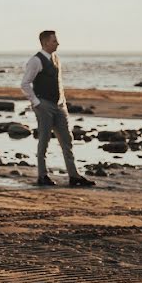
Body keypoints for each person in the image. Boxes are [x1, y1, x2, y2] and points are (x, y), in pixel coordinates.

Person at [19, 30, 94, 187]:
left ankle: (74, 177)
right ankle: (42, 176)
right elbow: (25, 84)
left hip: (60, 105)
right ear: (45, 43)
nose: (57, 43)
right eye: (54, 41)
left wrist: (63, 103)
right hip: (44, 105)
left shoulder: (56, 59)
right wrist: (36, 102)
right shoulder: (35, 61)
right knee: (44, 140)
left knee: (67, 140)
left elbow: (58, 83)